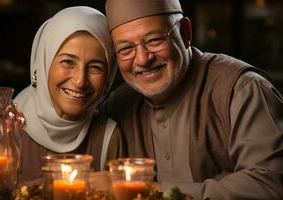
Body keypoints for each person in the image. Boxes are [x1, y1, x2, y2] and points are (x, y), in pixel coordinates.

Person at [103, 0, 283, 199]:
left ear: (186, 33)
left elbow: (269, 185)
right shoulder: (118, 105)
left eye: (154, 40)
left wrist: (149, 190)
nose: (143, 59)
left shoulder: (242, 89)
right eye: (126, 49)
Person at [13, 6, 124, 183]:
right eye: (68, 62)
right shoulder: (2, 126)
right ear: (43, 63)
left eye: (95, 67)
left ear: (109, 77)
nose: (80, 81)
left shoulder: (109, 137)